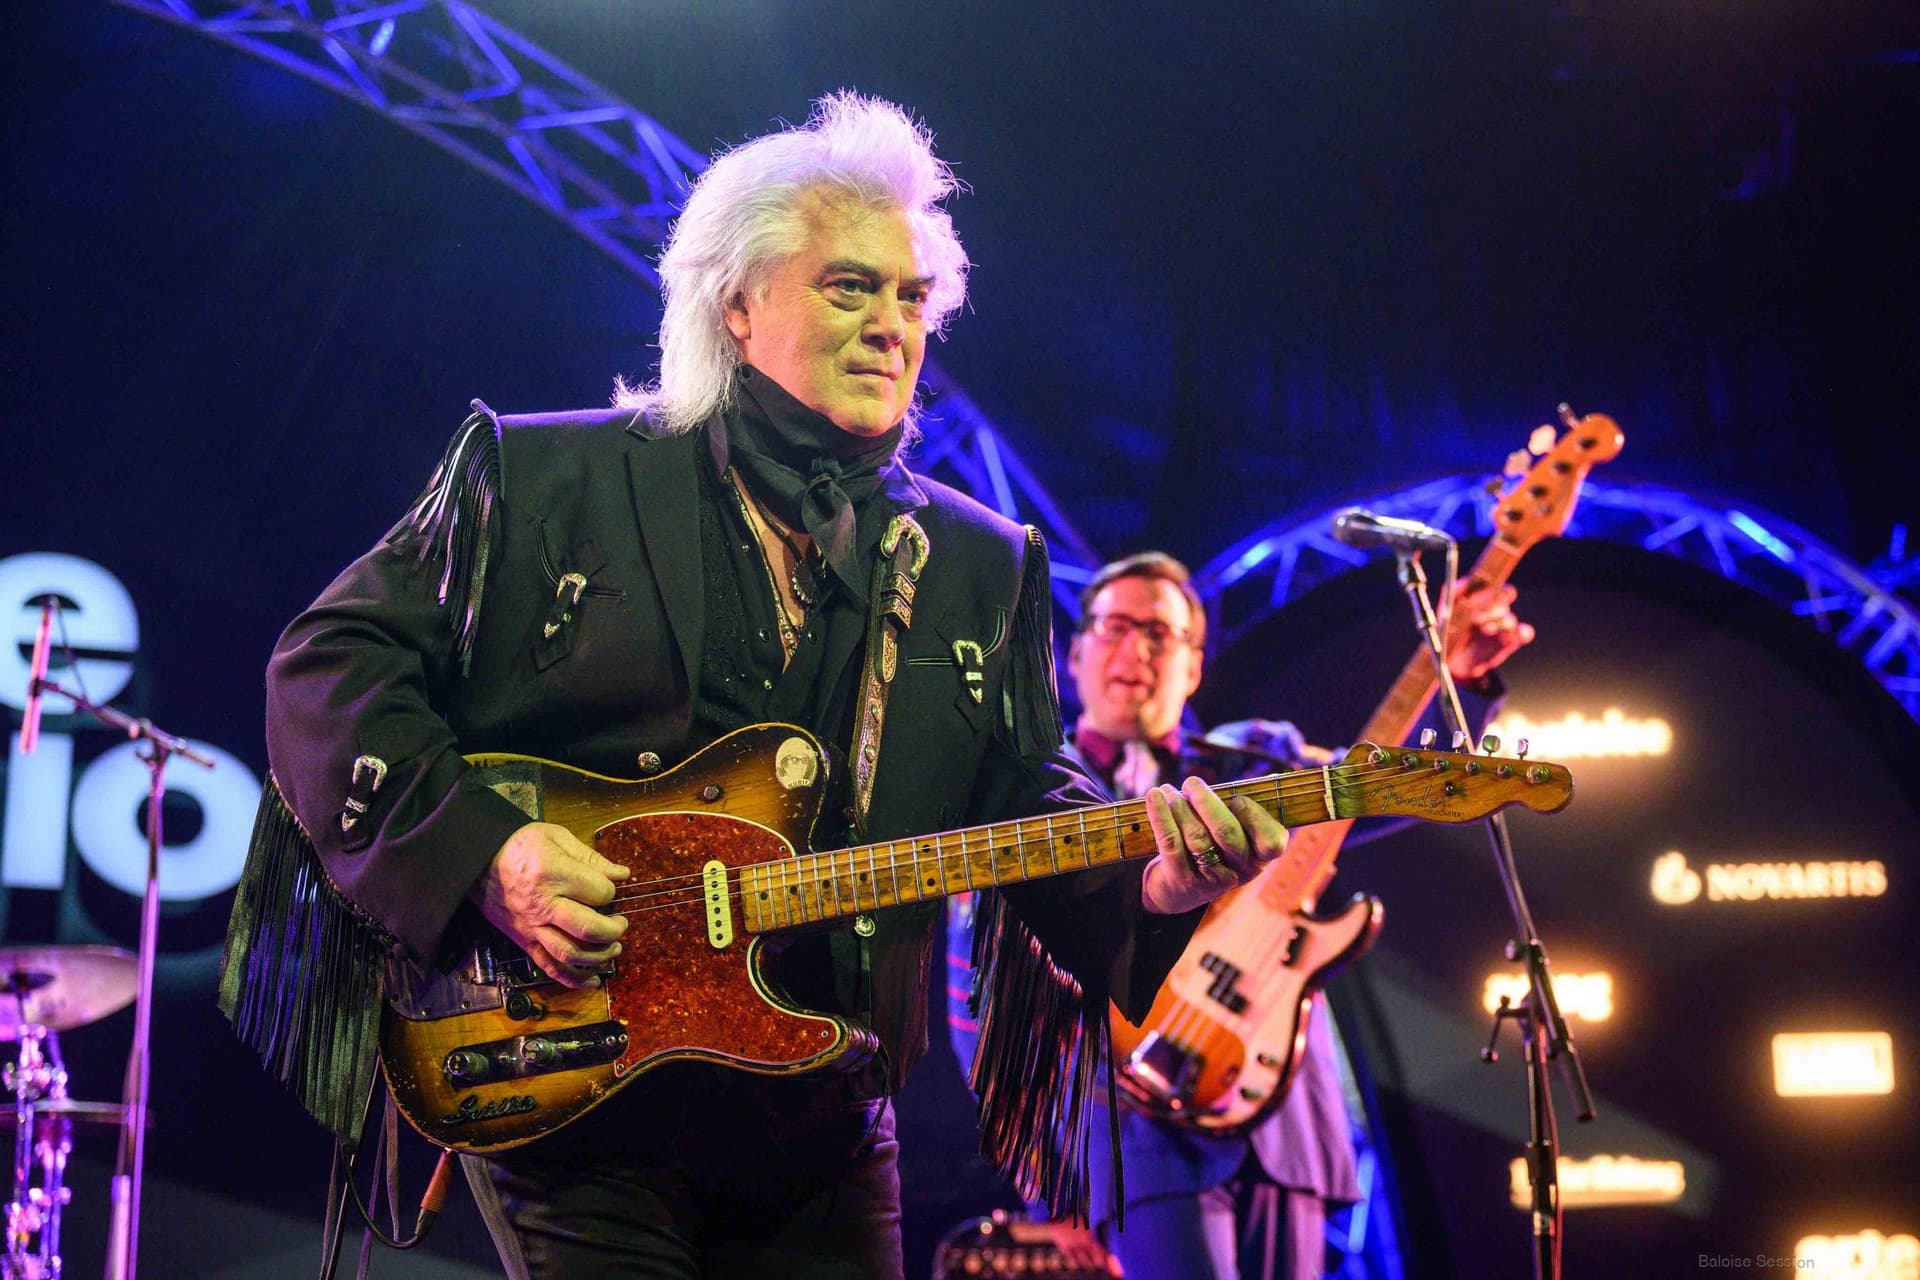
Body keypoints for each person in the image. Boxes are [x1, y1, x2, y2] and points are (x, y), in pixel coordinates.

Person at [218, 94, 1282, 1280]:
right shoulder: (544, 475)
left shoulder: (984, 561)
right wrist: (492, 854)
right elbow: (329, 666)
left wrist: (1152, 877)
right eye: (850, 287)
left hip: (824, 1113)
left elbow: (1025, 796)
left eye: (912, 296)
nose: (893, 324)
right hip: (572, 1085)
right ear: (736, 301)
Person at [949, 551, 1532, 1280]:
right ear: (1074, 654)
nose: (1136, 649)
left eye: (1161, 634)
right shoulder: (1027, 799)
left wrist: (1463, 684)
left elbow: (1392, 789)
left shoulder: (1260, 759)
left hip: (1287, 1120)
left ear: (1194, 666)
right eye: (1116, 627)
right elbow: (980, 1013)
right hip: (1129, 1134)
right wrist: (1045, 1184)